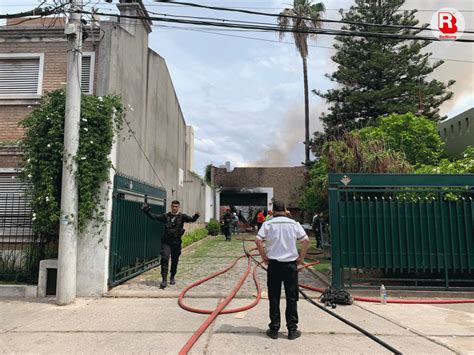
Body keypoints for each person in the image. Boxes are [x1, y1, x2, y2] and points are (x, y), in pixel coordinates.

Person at [255, 200, 310, 340]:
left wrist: (264, 257)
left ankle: (274, 329)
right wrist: (301, 258)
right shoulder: (294, 224)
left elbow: (258, 240)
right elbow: (306, 240)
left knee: (274, 297)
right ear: (285, 210)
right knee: (292, 297)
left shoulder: (268, 224)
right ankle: (292, 330)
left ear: (272, 211)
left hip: (274, 264)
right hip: (290, 265)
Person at [141, 200, 200, 289]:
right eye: (173, 206)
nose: (174, 208)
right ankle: (164, 279)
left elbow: (191, 219)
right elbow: (155, 217)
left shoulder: (182, 216)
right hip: (167, 242)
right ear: (171, 206)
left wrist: (196, 216)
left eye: (176, 206)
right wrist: (146, 212)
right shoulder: (166, 216)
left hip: (176, 242)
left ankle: (172, 276)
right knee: (164, 258)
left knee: (175, 260)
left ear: (178, 207)